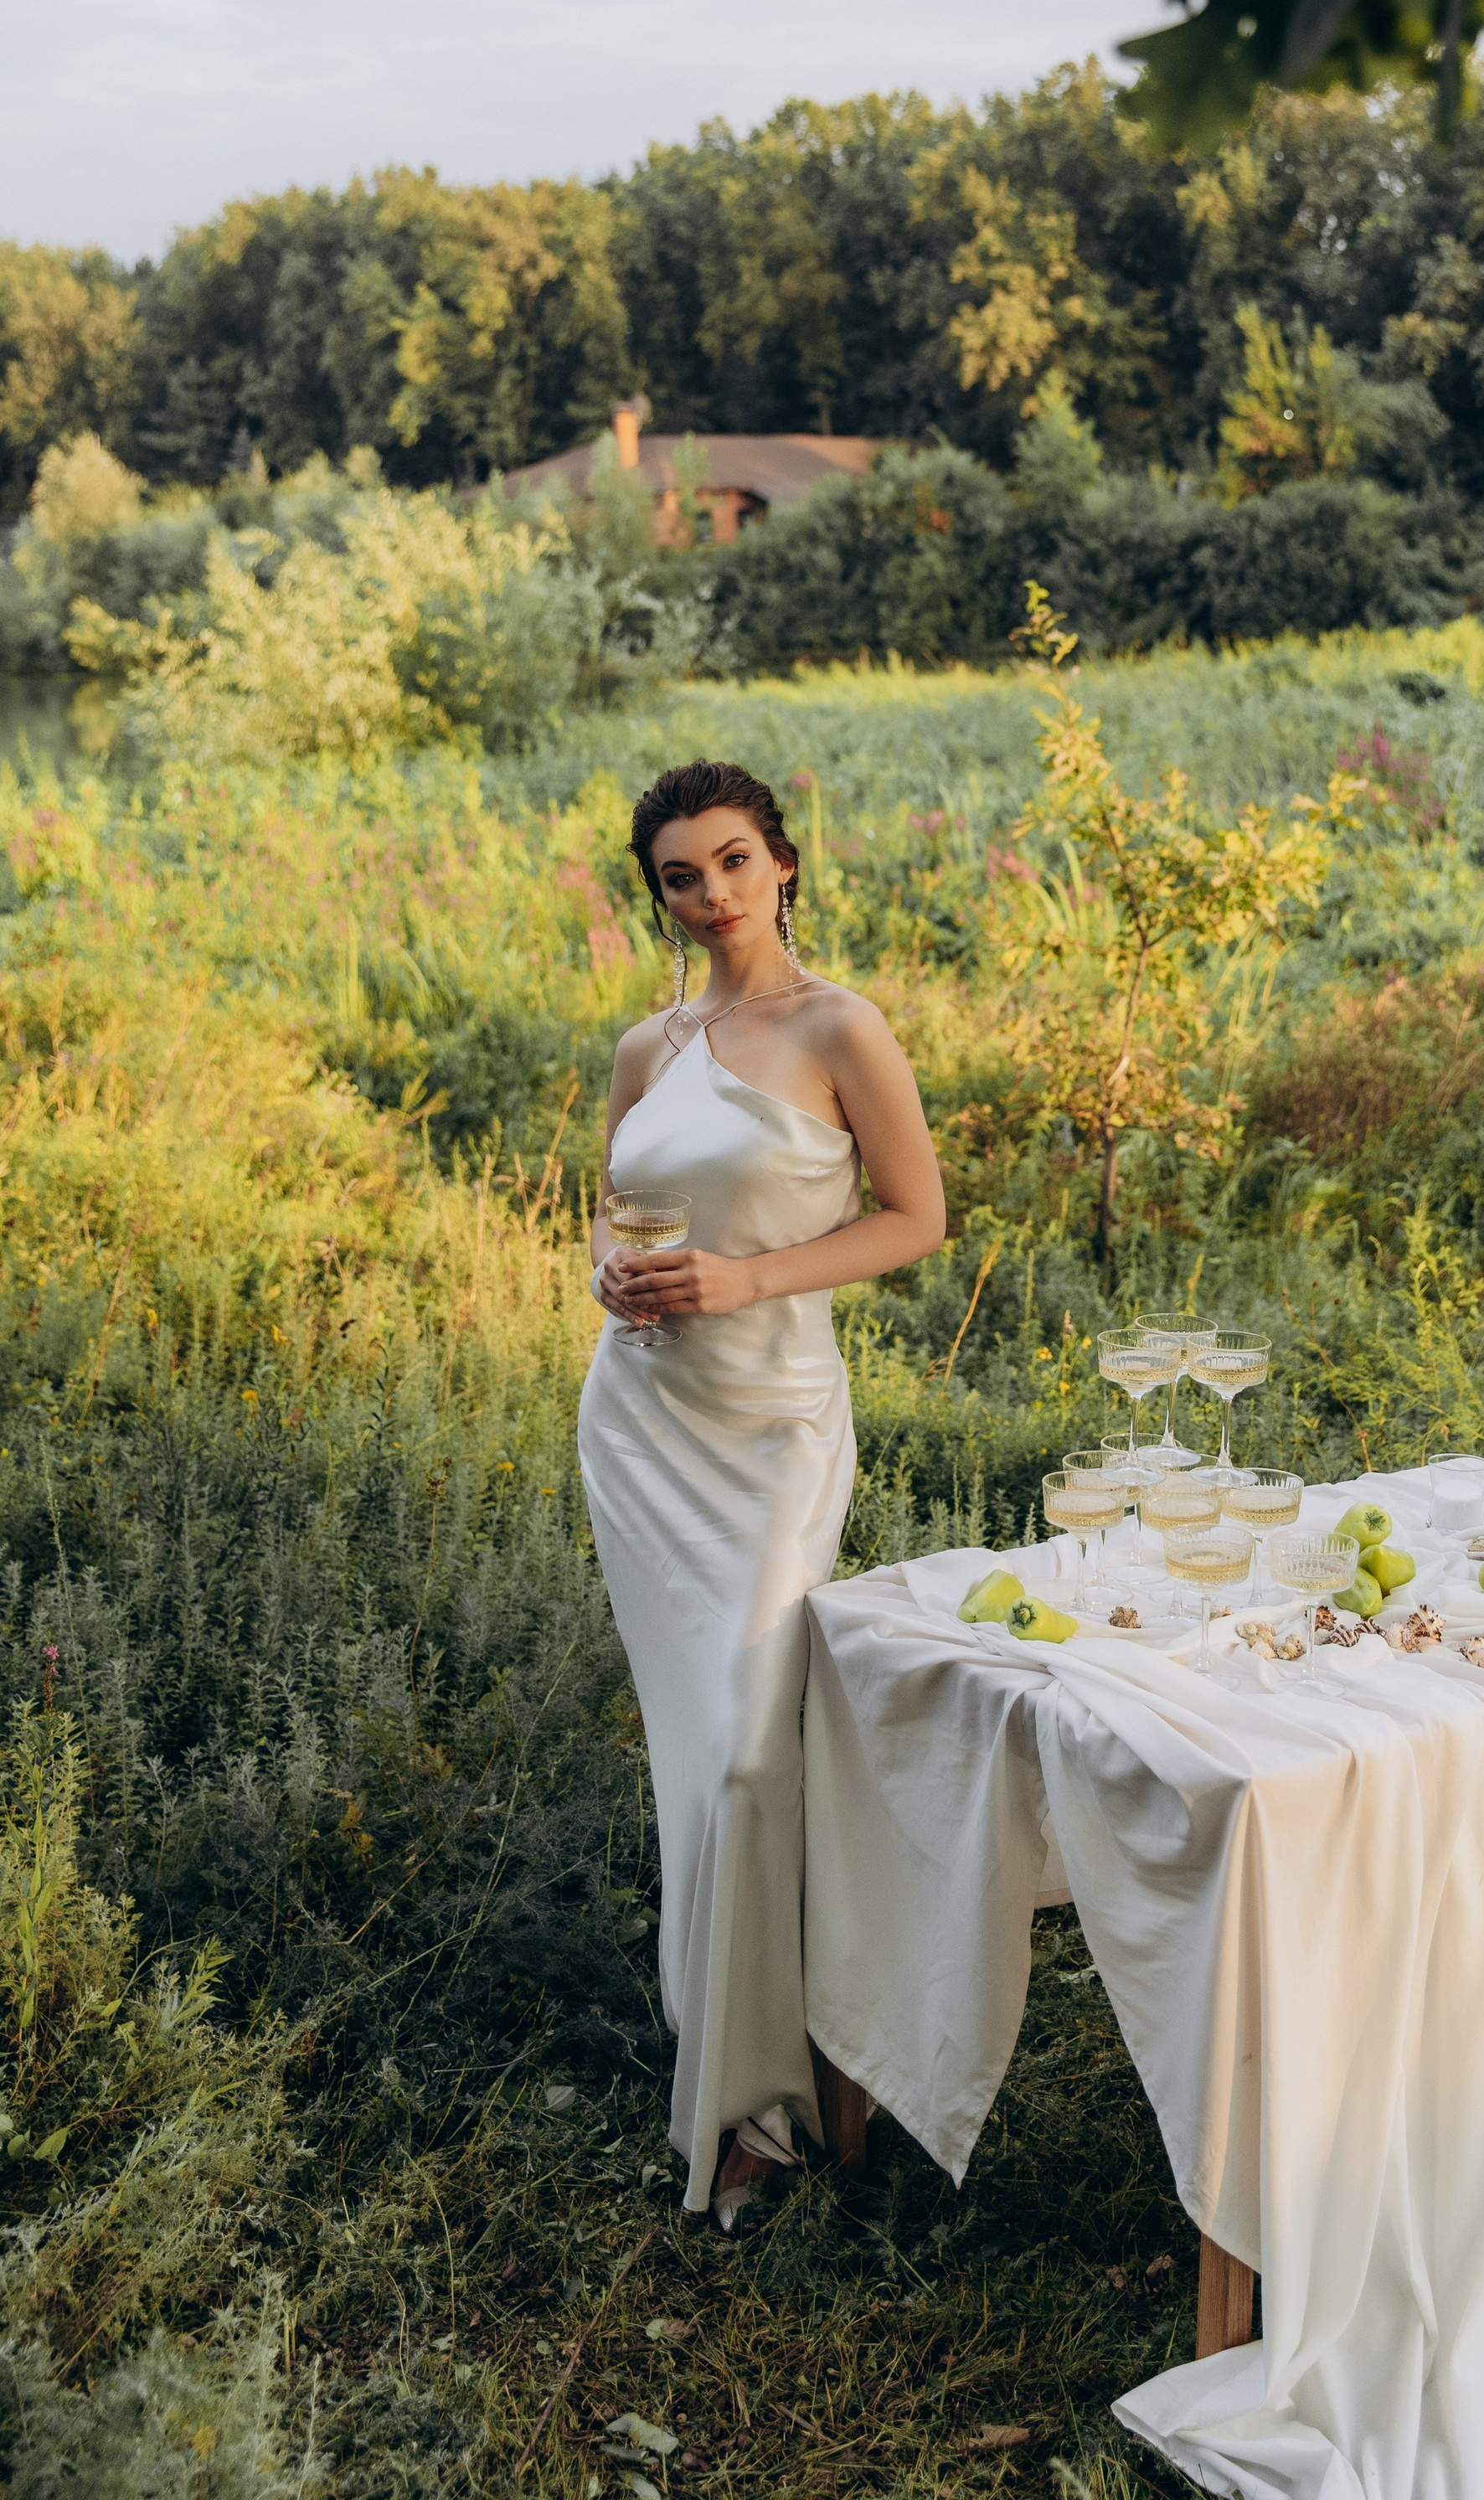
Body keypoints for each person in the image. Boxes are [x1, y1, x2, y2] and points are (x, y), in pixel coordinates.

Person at [578, 760, 946, 2227]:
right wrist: (620, 1279)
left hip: (775, 1426)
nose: (713, 893)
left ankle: (773, 2096)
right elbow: (613, 1228)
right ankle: (740, 2098)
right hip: (645, 1431)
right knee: (698, 1768)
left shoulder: (840, 1026)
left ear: (783, 863)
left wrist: (745, 1279)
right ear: (658, 893)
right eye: (681, 874)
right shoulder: (645, 1046)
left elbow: (916, 1220)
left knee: (751, 1756)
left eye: (734, 861)